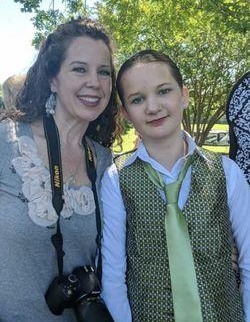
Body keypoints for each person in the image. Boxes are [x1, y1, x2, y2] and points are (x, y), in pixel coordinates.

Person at [101, 50, 250, 322]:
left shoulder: (227, 173)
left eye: (164, 91)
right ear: (125, 113)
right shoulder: (116, 179)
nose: (153, 106)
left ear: (184, 95)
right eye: (137, 99)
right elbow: (113, 277)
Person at [0, 17, 120, 322]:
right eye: (79, 69)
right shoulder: (7, 141)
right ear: (52, 78)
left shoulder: (106, 163)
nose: (94, 81)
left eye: (103, 72)